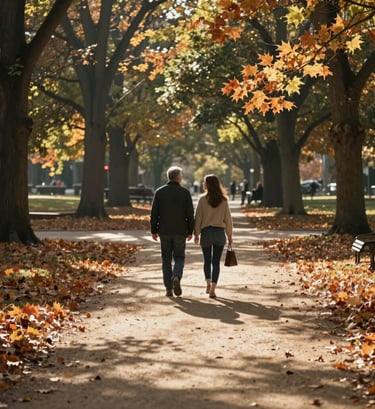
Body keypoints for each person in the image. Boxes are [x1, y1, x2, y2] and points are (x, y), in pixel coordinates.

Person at [150, 166, 195, 297]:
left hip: (164, 230)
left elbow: (154, 213)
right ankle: (176, 276)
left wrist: (154, 230)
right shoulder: (185, 193)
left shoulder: (159, 192)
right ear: (178, 177)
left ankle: (168, 289)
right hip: (180, 230)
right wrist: (190, 230)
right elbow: (190, 214)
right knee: (179, 257)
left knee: (166, 259)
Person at [193, 174, 233, 299]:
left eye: (204, 182)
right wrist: (230, 235)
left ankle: (208, 283)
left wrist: (196, 233)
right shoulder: (224, 200)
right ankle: (214, 289)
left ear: (206, 185)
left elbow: (198, 218)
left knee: (207, 261)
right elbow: (228, 219)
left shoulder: (202, 200)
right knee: (216, 262)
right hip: (219, 233)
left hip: (206, 233)